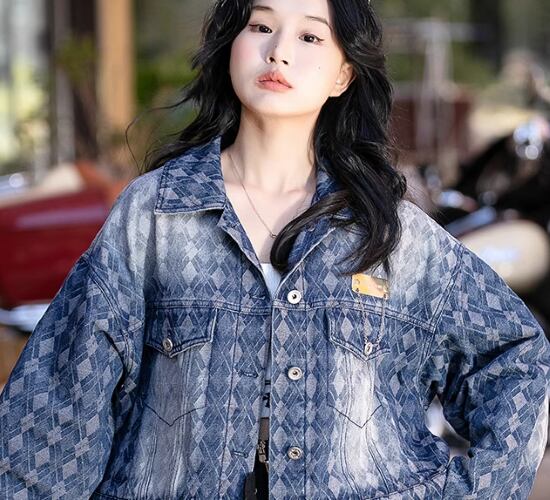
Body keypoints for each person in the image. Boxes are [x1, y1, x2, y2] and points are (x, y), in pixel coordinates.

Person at [1, 0, 549, 498]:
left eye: (310, 37)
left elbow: (515, 356)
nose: (278, 51)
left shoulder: (388, 232)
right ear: (231, 46)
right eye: (260, 26)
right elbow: (56, 406)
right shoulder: (155, 215)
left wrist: (471, 490)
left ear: (344, 74)